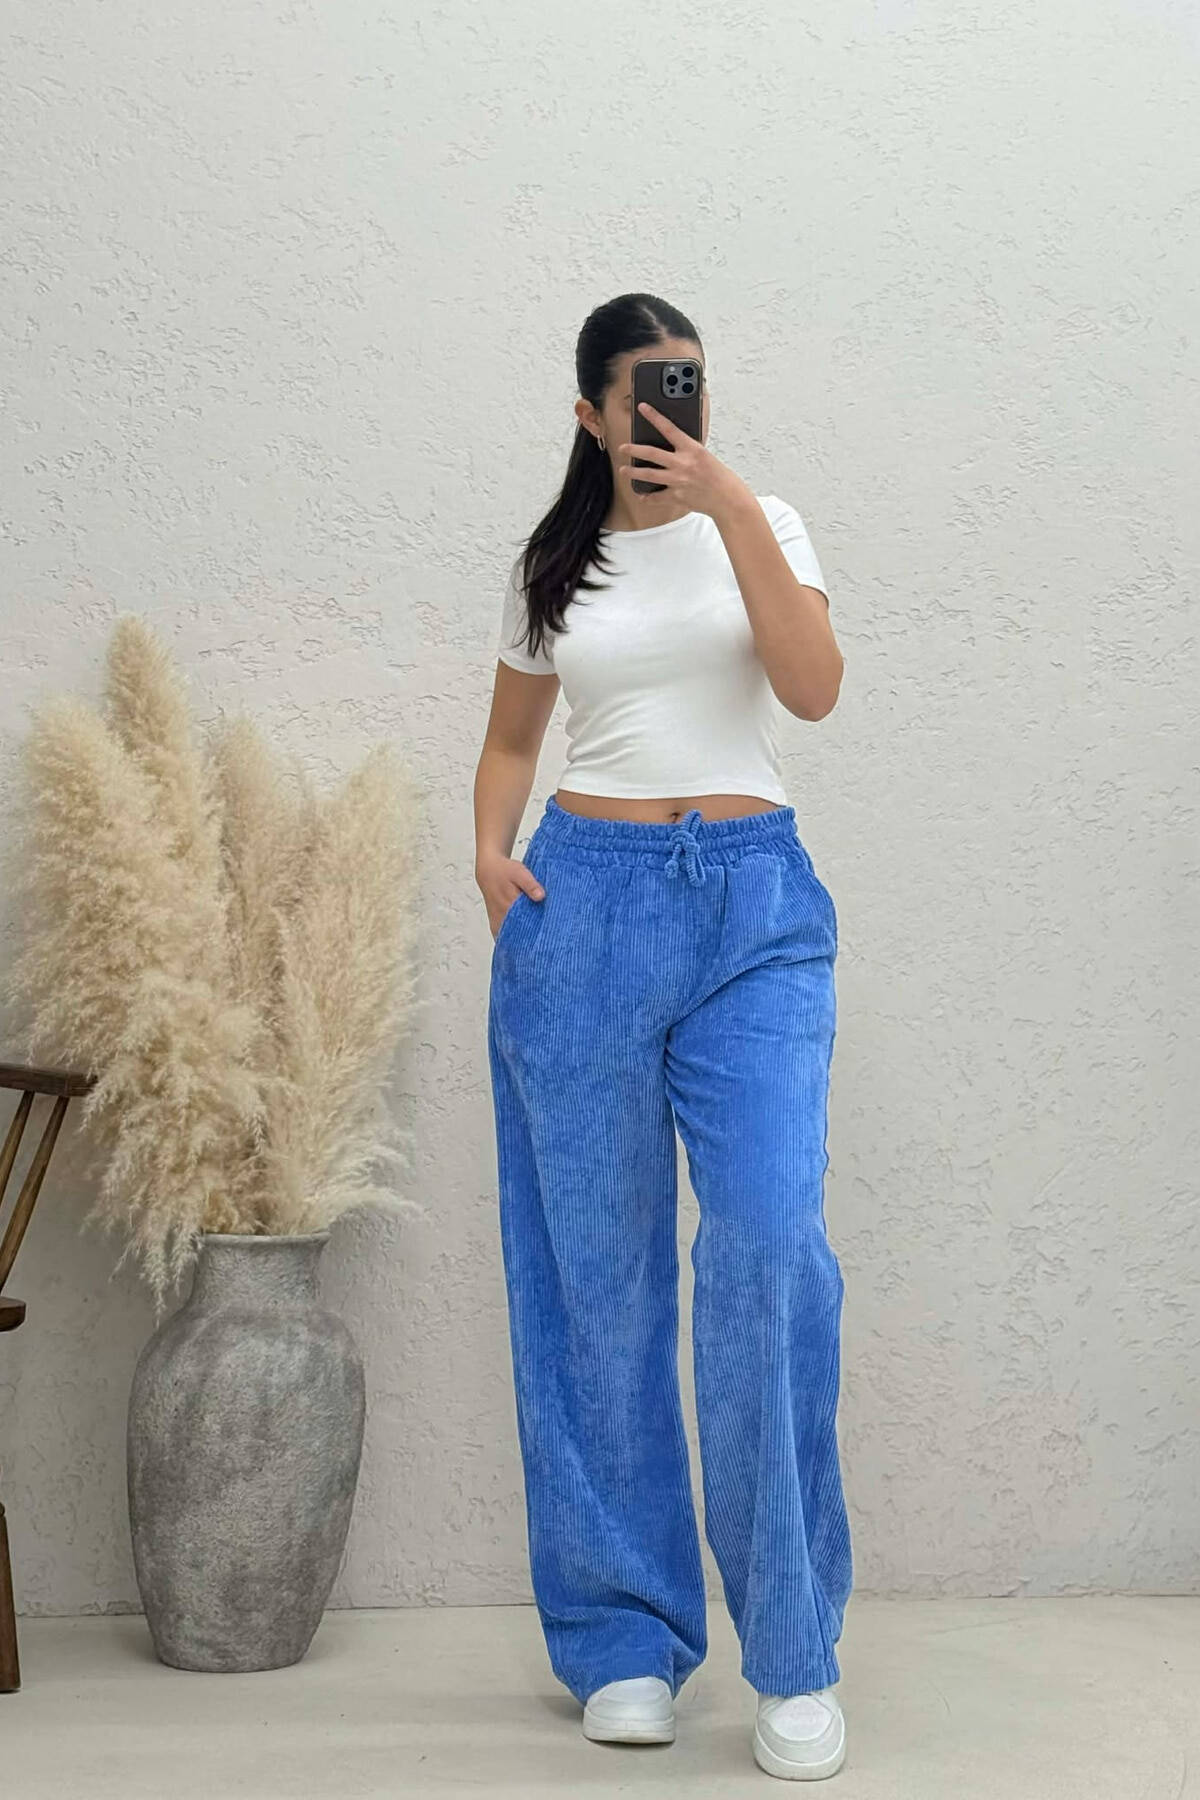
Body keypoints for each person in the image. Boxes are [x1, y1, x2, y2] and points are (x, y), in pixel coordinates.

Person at [473, 292, 852, 1782]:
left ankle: (795, 1655)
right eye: (643, 392)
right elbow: (513, 737)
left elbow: (812, 692)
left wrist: (730, 504)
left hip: (754, 909)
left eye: (688, 384)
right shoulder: (551, 564)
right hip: (584, 910)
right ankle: (625, 1638)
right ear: (589, 414)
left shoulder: (765, 521)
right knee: (594, 1282)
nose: (670, 413)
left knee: (769, 1242)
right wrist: (490, 854)